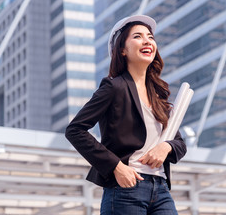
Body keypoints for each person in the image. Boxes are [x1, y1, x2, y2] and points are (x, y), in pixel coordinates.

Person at [65, 14, 187, 215]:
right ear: (122, 50)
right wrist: (116, 167)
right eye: (138, 36)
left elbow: (180, 144)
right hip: (126, 189)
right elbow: (75, 130)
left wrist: (166, 147)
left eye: (150, 36)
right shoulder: (114, 87)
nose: (147, 40)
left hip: (162, 188)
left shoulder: (158, 97)